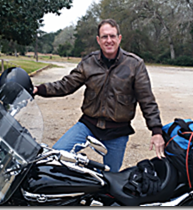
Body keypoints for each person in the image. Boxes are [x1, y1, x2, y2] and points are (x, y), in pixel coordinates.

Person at [33, 19, 165, 172]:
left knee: (111, 178)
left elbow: (147, 100)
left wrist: (156, 131)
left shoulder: (135, 65)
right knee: (55, 157)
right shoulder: (89, 62)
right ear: (98, 40)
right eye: (104, 37)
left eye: (112, 36)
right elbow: (66, 85)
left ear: (119, 38)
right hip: (88, 125)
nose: (109, 40)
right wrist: (38, 89)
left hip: (118, 131)